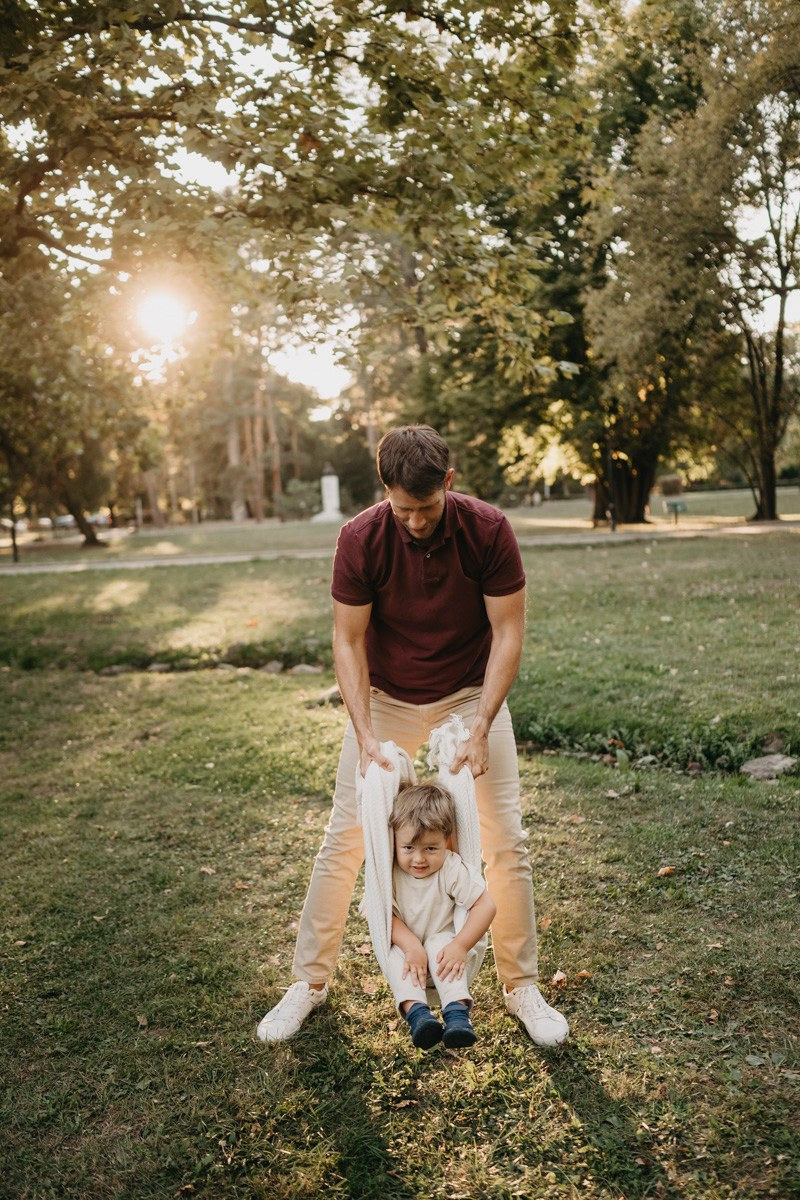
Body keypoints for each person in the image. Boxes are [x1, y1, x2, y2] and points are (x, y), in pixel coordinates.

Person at [257, 425, 569, 1048]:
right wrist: (366, 734)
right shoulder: (360, 537)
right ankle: (308, 984)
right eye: (403, 509)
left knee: (506, 838)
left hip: (466, 696)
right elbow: (347, 642)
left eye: (426, 508)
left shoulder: (488, 530)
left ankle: (521, 986)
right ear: (385, 493)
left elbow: (507, 633)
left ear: (448, 485)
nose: (417, 521)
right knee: (346, 836)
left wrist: (481, 723)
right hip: (386, 698)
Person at [385, 781, 497, 1049]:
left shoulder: (450, 867)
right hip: (406, 945)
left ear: (447, 842)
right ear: (394, 842)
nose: (419, 859)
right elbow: (382, 917)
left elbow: (486, 906)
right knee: (394, 956)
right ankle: (418, 1016)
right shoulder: (388, 872)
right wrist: (412, 946)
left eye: (431, 848)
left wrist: (460, 945)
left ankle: (457, 1016)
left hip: (442, 941)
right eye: (408, 848)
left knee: (442, 947)